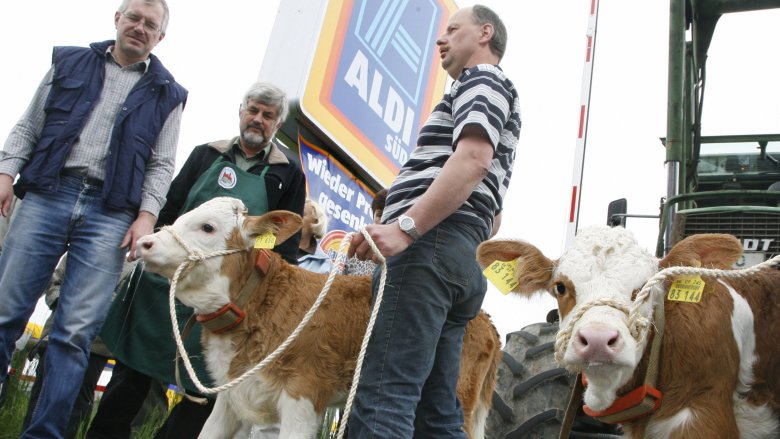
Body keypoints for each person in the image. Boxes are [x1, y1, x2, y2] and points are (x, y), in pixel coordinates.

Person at [0, 0, 187, 436]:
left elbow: (161, 165)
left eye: (150, 25)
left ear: (161, 37)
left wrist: (146, 216)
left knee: (74, 336)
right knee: (5, 313)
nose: (140, 28)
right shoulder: (68, 61)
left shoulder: (169, 93)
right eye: (133, 18)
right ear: (117, 20)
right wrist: (6, 171)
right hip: (47, 192)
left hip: (111, 213)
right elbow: (28, 125)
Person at [90, 80, 306, 439]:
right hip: (164, 288)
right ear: (241, 111)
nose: (258, 119)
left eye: (268, 116)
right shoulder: (206, 154)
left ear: (277, 124)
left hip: (223, 303)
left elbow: (282, 247)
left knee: (203, 395)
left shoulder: (289, 174)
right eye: (252, 110)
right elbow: (169, 210)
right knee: (131, 378)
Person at [347, 5, 520, 437]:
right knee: (435, 410)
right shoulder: (496, 98)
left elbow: (474, 160)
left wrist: (407, 227)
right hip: (460, 254)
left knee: (384, 397)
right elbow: (493, 216)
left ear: (484, 33)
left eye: (451, 30)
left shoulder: (481, 80)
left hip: (429, 250)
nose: (439, 40)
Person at [342, 188, 387, 276]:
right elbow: (343, 282)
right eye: (380, 215)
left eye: (388, 215)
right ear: (373, 216)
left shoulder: (401, 253)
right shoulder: (357, 248)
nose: (383, 221)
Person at [297, 198, 334, 274]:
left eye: (302, 214)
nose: (295, 217)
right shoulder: (277, 245)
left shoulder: (326, 266)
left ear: (316, 222)